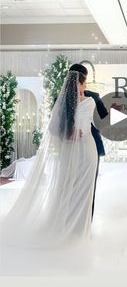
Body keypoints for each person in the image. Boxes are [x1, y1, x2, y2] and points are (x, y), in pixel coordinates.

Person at [1, 69, 99, 248]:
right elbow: (83, 128)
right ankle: (78, 233)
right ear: (81, 83)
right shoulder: (89, 101)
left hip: (72, 153)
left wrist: (68, 133)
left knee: (70, 190)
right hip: (85, 152)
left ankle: (71, 230)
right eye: (84, 82)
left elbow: (56, 129)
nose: (85, 86)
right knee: (80, 192)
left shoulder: (65, 102)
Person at [69, 63, 108, 221]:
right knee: (85, 186)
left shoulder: (91, 97)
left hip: (81, 146)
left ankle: (77, 221)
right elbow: (104, 119)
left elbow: (102, 118)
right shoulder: (92, 96)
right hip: (79, 147)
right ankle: (84, 223)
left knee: (77, 185)